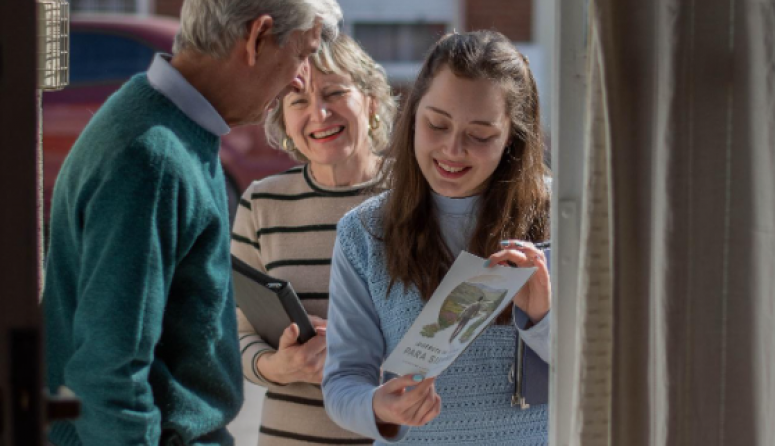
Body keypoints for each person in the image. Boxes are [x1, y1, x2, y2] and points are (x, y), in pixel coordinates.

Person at [42, 0, 342, 445]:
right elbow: (109, 375)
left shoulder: (164, 125)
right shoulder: (154, 157)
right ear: (257, 37)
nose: (301, 77)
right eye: (302, 53)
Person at [322, 31, 552, 445]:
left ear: (512, 139)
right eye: (437, 124)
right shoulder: (364, 232)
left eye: (480, 135)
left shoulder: (561, 220)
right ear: (412, 115)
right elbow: (342, 382)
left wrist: (542, 321)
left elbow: (606, 375)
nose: (452, 149)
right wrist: (378, 407)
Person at [230, 33, 396, 445]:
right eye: (298, 100)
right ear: (283, 118)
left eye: (335, 93)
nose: (319, 114)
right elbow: (232, 331)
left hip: (391, 434)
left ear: (371, 100)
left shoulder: (417, 198)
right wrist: (278, 367)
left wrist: (361, 360)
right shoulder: (261, 202)